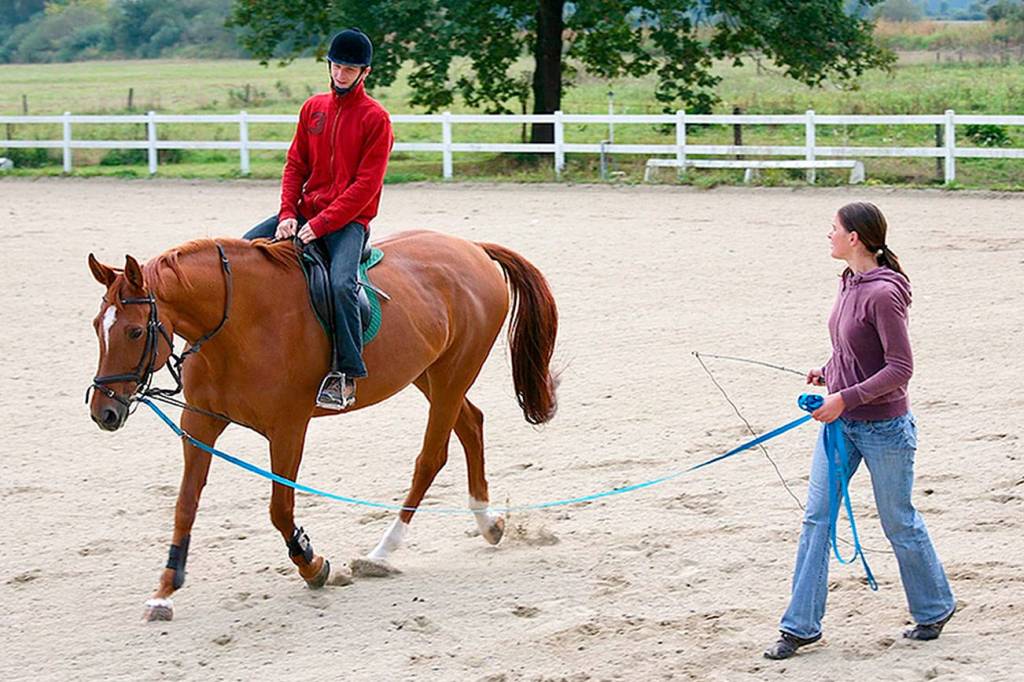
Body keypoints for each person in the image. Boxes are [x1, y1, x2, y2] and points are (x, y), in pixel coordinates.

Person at [764, 202, 956, 660]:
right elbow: (854, 347)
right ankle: (801, 627)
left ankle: (933, 607)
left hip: (885, 427)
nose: (827, 235)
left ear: (854, 238)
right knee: (816, 519)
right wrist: (829, 371)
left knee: (898, 522)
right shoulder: (849, 281)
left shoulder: (883, 293)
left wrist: (844, 398)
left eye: (832, 229)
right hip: (842, 425)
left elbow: (900, 368)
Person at [243, 28, 394, 410]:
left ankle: (346, 373)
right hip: (303, 213)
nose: (341, 75)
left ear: (365, 73)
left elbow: (364, 187)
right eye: (337, 66)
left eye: (350, 69)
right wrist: (288, 213)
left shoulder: (377, 119)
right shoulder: (313, 109)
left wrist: (321, 224)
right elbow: (295, 164)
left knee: (342, 285)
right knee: (241, 252)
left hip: (348, 223)